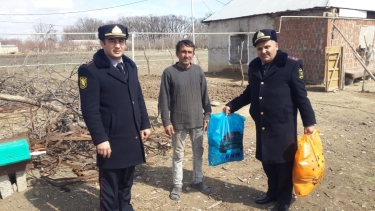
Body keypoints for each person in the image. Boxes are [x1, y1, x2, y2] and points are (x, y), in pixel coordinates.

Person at [223, 29, 316, 211]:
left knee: (283, 164)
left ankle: (283, 201)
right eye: (259, 48)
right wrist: (232, 105)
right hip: (262, 124)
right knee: (267, 161)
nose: (263, 51)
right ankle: (272, 192)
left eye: (267, 47)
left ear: (276, 45)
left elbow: (301, 97)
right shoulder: (254, 66)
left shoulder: (291, 65)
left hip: (283, 125)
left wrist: (309, 122)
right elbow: (250, 92)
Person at [78, 24, 151, 211]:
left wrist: (144, 123)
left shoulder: (129, 66)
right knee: (110, 190)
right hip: (110, 141)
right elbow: (90, 110)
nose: (117, 45)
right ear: (102, 43)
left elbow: (138, 97)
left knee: (126, 184)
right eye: (112, 41)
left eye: (121, 41)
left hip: (131, 136)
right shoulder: (90, 71)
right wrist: (100, 139)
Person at [158, 40, 212, 201]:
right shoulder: (169, 73)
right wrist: (166, 121)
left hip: (197, 121)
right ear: (177, 54)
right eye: (183, 52)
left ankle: (197, 180)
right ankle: (177, 185)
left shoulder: (198, 71)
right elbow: (164, 100)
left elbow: (205, 96)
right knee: (177, 155)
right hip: (178, 123)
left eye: (189, 52)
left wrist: (207, 115)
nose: (186, 55)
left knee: (198, 153)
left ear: (193, 54)